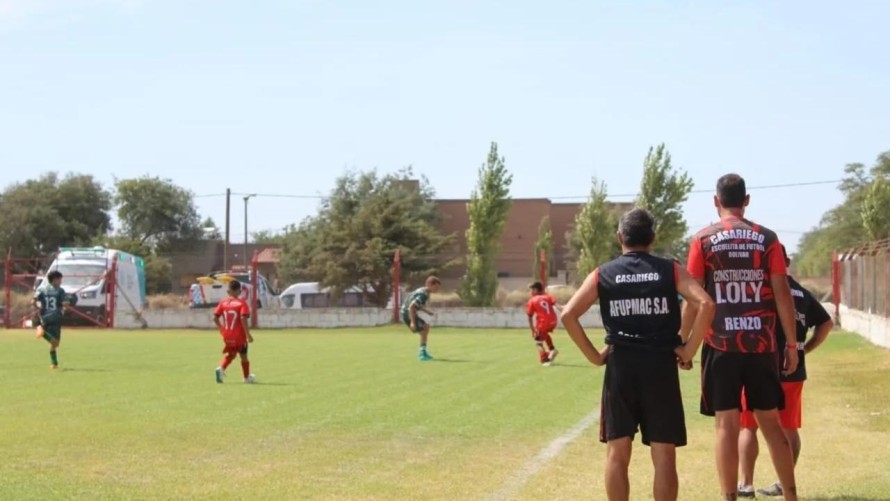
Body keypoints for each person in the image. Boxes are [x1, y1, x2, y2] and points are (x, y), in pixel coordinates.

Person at [561, 207, 716, 501]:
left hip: (621, 367)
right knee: (664, 454)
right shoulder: (670, 270)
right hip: (660, 367)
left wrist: (594, 356)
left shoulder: (603, 273)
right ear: (652, 238)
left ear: (620, 237)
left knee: (617, 453)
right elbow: (706, 304)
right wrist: (688, 350)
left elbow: (568, 315)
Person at [683, 173, 800, 501]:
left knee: (726, 425)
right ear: (746, 201)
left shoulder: (702, 239)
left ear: (716, 201)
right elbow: (782, 292)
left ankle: (729, 496)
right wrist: (791, 344)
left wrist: (684, 342)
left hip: (720, 344)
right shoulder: (767, 238)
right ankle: (791, 495)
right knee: (771, 424)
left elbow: (693, 297)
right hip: (761, 343)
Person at [737, 245, 834, 498]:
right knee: (788, 428)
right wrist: (804, 349)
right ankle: (784, 483)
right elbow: (826, 323)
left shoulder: (756, 290)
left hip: (758, 365)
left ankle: (745, 485)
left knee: (748, 426)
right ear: (787, 262)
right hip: (793, 369)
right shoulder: (802, 293)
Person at [213, 279, 255, 383]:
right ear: (239, 291)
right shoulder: (242, 303)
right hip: (239, 336)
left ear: (228, 291)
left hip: (227, 334)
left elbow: (215, 318)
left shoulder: (223, 303)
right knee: (244, 356)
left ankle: (221, 369)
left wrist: (221, 328)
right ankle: (247, 378)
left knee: (231, 354)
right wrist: (248, 334)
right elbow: (243, 318)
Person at [33, 270, 70, 369]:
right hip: (55, 317)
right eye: (59, 279)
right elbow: (65, 304)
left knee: (53, 343)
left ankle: (54, 363)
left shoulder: (42, 289)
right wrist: (66, 306)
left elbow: (33, 301)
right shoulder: (60, 291)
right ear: (54, 280)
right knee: (55, 342)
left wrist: (38, 308)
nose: (61, 281)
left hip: (44, 316)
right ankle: (42, 333)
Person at [401, 276, 441, 361]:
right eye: (436, 287)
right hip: (407, 313)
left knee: (425, 328)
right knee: (424, 329)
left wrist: (427, 312)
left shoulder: (422, 290)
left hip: (406, 312)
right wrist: (412, 322)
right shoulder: (423, 295)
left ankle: (423, 352)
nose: (437, 289)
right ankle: (422, 354)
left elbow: (416, 305)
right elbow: (412, 306)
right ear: (429, 284)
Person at [525, 281, 560, 366]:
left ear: (536, 290)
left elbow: (529, 316)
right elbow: (557, 305)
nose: (531, 292)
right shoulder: (548, 297)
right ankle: (552, 349)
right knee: (545, 334)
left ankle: (545, 360)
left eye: (532, 289)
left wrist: (532, 330)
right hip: (554, 321)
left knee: (538, 343)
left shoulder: (532, 300)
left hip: (543, 323)